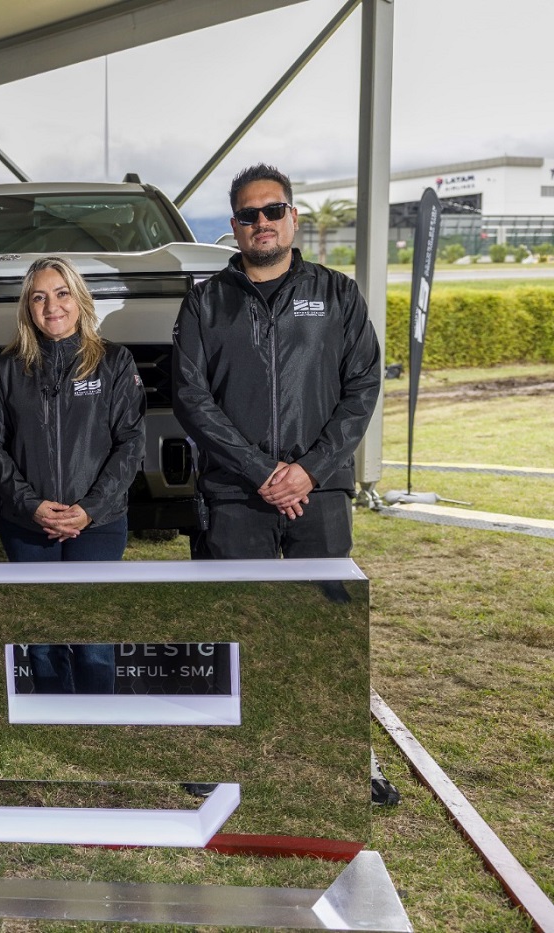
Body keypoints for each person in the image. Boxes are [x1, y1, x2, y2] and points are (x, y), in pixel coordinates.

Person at [171, 163, 396, 804]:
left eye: (273, 211)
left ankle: (349, 755)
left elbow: (362, 387)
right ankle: (226, 754)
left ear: (293, 217)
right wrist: (261, 471)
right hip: (236, 494)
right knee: (233, 623)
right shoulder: (205, 302)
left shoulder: (337, 293)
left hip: (317, 491)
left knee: (328, 622)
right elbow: (191, 398)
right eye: (249, 215)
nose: (262, 223)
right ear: (235, 226)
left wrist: (310, 470)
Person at [0, 255, 145, 563]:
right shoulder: (9, 368)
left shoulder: (115, 362)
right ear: (28, 308)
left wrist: (90, 509)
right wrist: (31, 505)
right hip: (27, 522)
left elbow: (131, 443)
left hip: (99, 522)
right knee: (38, 597)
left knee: (89, 597)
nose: (51, 306)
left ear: (79, 298)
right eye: (39, 297)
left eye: (62, 293)